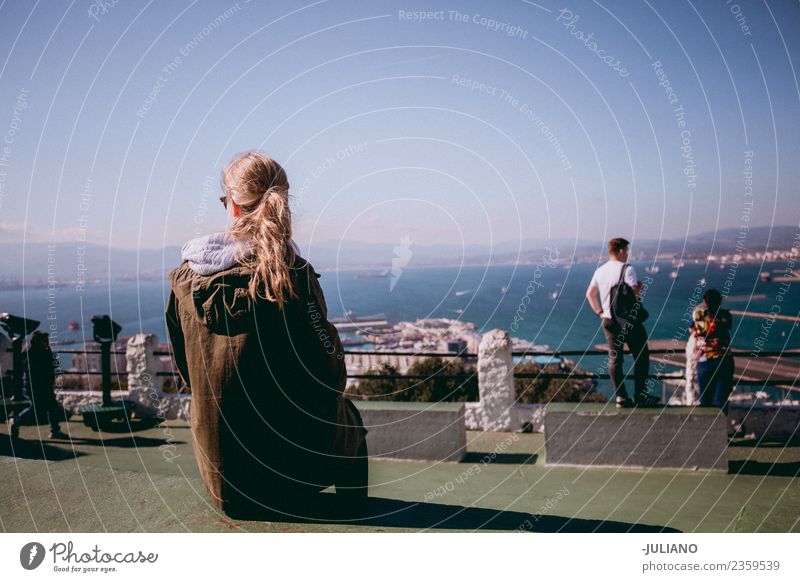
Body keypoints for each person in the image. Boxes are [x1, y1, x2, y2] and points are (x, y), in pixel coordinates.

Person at [165, 151, 368, 518]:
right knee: (350, 418)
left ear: (235, 207)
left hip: (226, 482)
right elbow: (331, 374)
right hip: (293, 478)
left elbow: (187, 372)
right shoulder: (293, 278)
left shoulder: (185, 281)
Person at [585, 238, 660, 408]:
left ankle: (621, 397)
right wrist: (639, 291)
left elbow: (590, 294)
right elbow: (634, 294)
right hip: (628, 321)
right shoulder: (627, 269)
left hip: (609, 321)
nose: (627, 254)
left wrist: (600, 313)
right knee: (641, 357)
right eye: (626, 250)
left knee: (615, 359)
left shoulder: (600, 271)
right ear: (620, 251)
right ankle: (640, 396)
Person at [9, 331, 68, 439]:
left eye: (47, 340)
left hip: (45, 385)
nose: (47, 342)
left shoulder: (44, 351)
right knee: (36, 409)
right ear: (38, 341)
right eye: (45, 340)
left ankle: (54, 430)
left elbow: (52, 366)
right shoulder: (32, 354)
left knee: (51, 407)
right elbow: (33, 370)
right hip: (35, 386)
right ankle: (15, 421)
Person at [690, 289, 735, 412]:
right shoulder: (726, 316)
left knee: (705, 402)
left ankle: (708, 429)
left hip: (705, 361)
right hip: (724, 360)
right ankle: (721, 428)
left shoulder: (700, 315)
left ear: (705, 301)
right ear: (720, 301)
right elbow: (725, 326)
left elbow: (695, 330)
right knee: (721, 401)